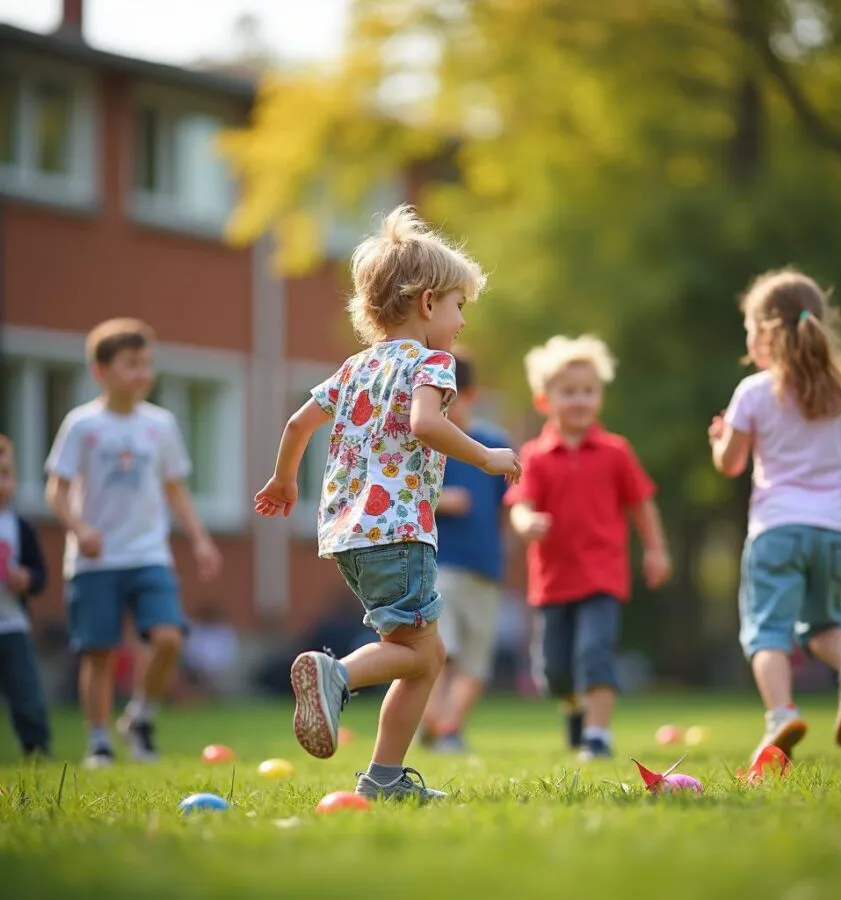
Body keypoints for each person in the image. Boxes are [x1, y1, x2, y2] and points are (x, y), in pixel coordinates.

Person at [254, 205, 521, 802]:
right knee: (418, 653)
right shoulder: (431, 362)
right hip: (398, 532)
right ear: (427, 304)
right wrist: (487, 457)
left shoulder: (354, 368)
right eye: (458, 308)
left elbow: (299, 423)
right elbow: (427, 424)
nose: (459, 323)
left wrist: (284, 482)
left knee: (424, 658)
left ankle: (385, 778)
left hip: (347, 536)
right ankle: (337, 675)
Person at [709, 268, 841, 763]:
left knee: (767, 632)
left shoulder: (755, 392)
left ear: (763, 333)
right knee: (826, 623)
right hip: (837, 532)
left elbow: (731, 464)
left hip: (777, 529)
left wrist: (722, 440)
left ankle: (782, 714)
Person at [45, 318, 222, 767]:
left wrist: (200, 540)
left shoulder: (160, 425)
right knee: (99, 653)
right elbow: (56, 489)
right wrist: (79, 529)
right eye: (132, 365)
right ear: (101, 371)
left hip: (149, 555)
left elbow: (175, 490)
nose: (143, 374)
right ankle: (99, 740)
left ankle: (140, 715)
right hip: (95, 561)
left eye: (147, 364)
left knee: (168, 639)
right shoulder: (82, 425)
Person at [505, 335, 671, 760]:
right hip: (553, 581)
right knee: (554, 671)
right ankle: (573, 704)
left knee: (595, 652)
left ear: (600, 396)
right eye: (569, 392)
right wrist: (527, 522)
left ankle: (598, 735)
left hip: (603, 574)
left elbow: (641, 504)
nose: (580, 400)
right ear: (545, 400)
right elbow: (520, 504)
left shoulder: (616, 452)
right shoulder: (536, 456)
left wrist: (656, 550)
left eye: (589, 391)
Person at [420, 354, 511, 752]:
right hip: (439, 566)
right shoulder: (423, 445)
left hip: (485, 569)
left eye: (451, 399)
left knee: (475, 662)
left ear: (470, 395)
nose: (444, 409)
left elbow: (511, 505)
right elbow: (401, 498)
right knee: (441, 652)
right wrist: (439, 500)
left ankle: (445, 725)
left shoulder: (493, 444)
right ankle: (444, 730)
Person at [0, 434, 51, 758]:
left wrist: (28, 579)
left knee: (26, 693)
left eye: (5, 473)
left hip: (12, 625)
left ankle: (36, 749)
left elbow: (40, 574)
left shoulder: (20, 526)